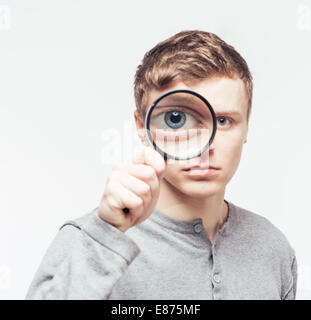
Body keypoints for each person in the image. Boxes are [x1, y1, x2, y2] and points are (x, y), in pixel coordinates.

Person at [25, 30, 297, 300]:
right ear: (142, 127)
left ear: (246, 126)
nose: (207, 146)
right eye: (177, 119)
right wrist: (105, 235)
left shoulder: (272, 247)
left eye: (224, 121)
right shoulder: (92, 240)